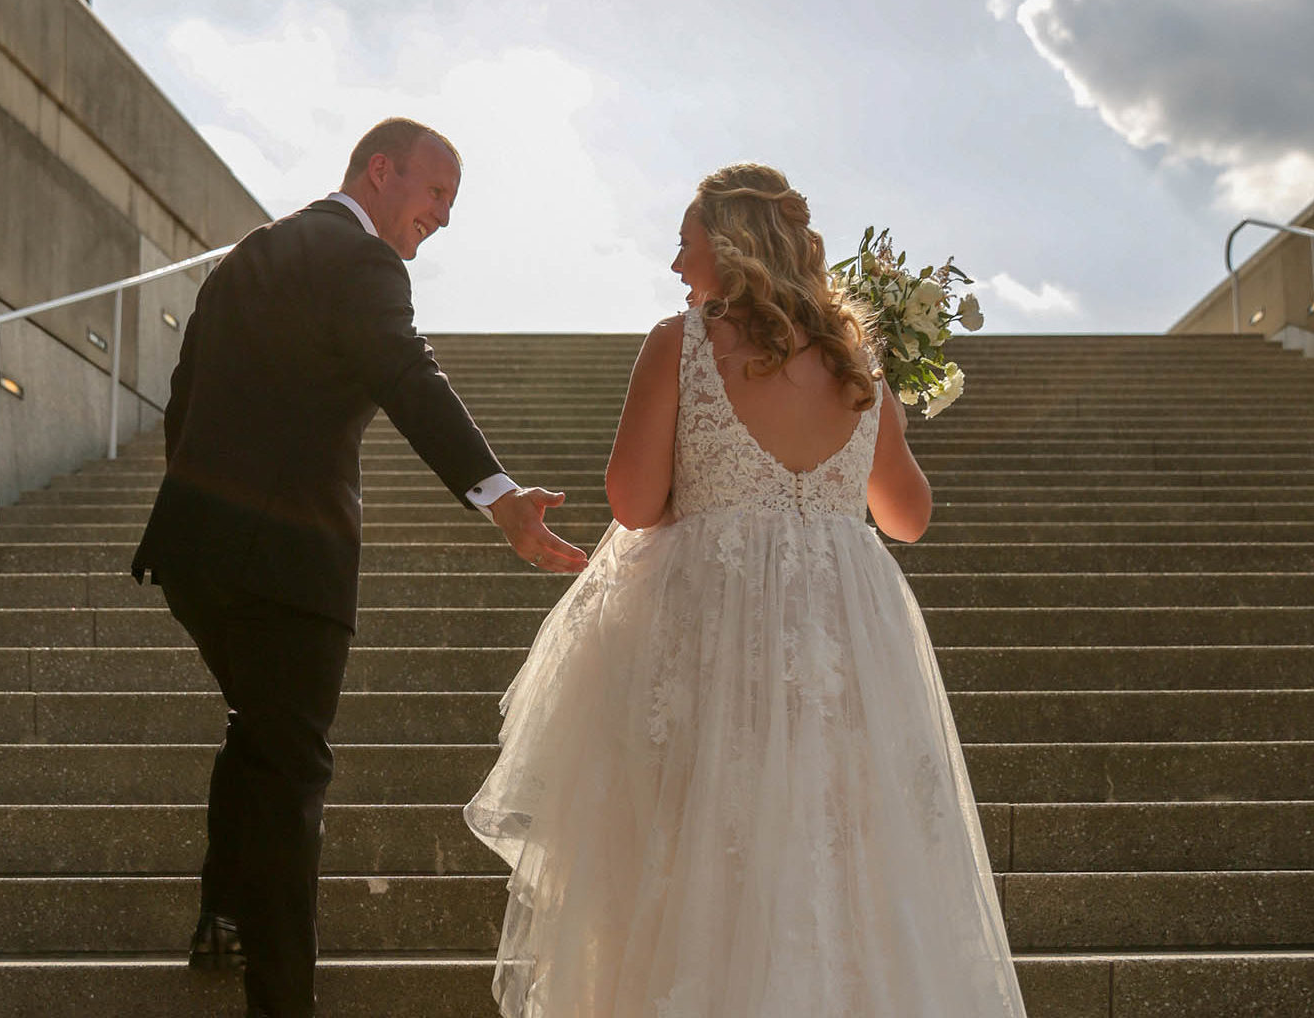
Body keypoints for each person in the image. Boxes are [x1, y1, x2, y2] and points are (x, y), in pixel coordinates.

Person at [465, 164, 1028, 1016]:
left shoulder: (684, 342)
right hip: (840, 633)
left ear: (728, 247)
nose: (674, 263)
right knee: (836, 853)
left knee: (700, 851)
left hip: (710, 623)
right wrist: (884, 420)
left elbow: (632, 503)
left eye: (685, 242)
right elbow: (909, 518)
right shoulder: (855, 363)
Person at [132, 117, 589, 1018]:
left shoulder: (247, 256)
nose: (443, 219)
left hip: (195, 554)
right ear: (381, 172)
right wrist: (499, 497)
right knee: (293, 765)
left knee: (260, 730)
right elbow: (408, 375)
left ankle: (223, 912)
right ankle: (280, 997)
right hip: (290, 565)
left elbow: (181, 404)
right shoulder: (366, 263)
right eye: (436, 194)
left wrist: (210, 506)